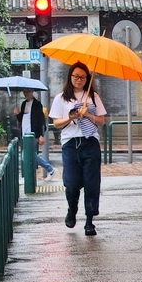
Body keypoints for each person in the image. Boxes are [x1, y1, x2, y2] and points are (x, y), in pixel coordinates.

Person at [49, 62, 107, 237]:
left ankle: (89, 221)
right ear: (70, 77)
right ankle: (72, 209)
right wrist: (72, 116)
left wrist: (87, 114)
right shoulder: (61, 98)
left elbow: (101, 121)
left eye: (82, 77)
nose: (79, 80)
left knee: (92, 183)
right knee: (72, 183)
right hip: (70, 144)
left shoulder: (93, 96)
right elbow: (56, 123)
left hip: (90, 142)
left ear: (87, 78)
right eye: (76, 76)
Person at [14, 89, 55, 178]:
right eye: (24, 92)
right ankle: (32, 174)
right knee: (28, 155)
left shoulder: (37, 104)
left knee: (29, 154)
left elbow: (41, 120)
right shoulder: (24, 104)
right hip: (24, 133)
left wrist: (41, 135)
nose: (26, 94)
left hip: (33, 134)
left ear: (32, 92)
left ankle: (50, 168)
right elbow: (21, 119)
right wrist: (17, 114)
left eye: (27, 92)